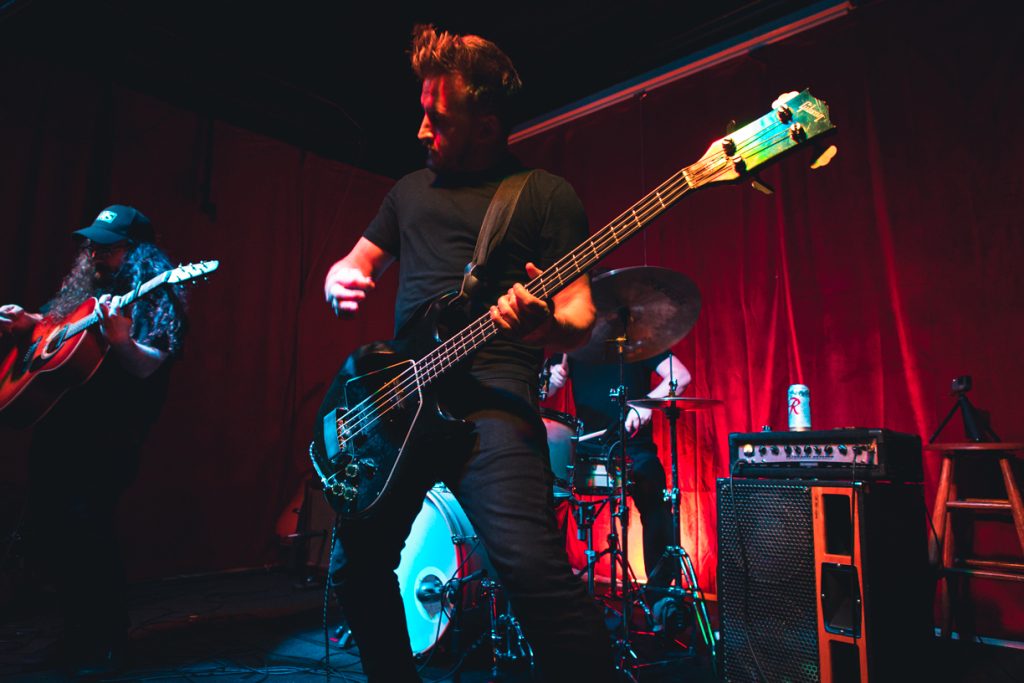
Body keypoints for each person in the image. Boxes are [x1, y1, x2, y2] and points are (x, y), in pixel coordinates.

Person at [321, 25, 616, 683]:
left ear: (487, 126)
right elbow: (355, 261)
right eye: (422, 113)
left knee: (531, 568)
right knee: (355, 567)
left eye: (439, 119)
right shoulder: (407, 192)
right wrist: (337, 278)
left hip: (494, 401)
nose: (423, 132)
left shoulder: (545, 194)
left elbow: (578, 316)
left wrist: (543, 324)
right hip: (399, 405)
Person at [0, 205, 187, 676]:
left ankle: (110, 643)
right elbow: (49, 336)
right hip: (60, 427)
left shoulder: (154, 296)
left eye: (108, 246)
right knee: (53, 533)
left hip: (109, 434)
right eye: (92, 245)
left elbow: (149, 365)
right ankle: (75, 636)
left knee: (89, 532)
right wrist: (27, 327)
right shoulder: (85, 290)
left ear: (137, 250)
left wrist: (122, 341)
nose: (95, 253)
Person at [545, 349, 692, 631]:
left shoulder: (640, 339)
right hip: (585, 450)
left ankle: (660, 596)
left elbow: (680, 376)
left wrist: (647, 404)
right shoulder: (572, 343)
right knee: (547, 492)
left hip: (632, 449)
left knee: (653, 489)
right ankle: (557, 591)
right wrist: (552, 381)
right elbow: (541, 392)